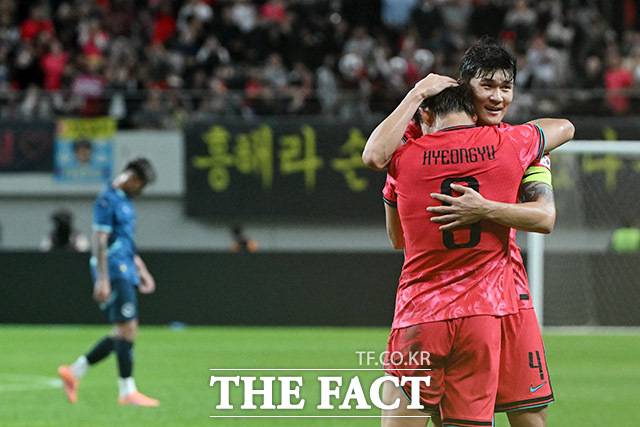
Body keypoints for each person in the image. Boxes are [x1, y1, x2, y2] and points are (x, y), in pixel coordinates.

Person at [368, 38, 568, 427]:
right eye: (487, 86)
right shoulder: (514, 145)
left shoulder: (405, 152)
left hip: (456, 305)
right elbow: (564, 131)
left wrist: (483, 208)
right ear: (464, 87)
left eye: (505, 87)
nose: (497, 97)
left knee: (529, 417)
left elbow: (545, 217)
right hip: (484, 309)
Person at [57, 158, 160, 407]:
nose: (140, 191)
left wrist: (141, 269)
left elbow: (125, 240)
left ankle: (74, 372)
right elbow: (100, 239)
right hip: (113, 270)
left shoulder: (125, 201)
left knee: (123, 330)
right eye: (141, 185)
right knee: (128, 328)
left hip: (126, 267)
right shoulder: (108, 199)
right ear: (133, 179)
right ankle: (126, 391)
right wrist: (102, 279)